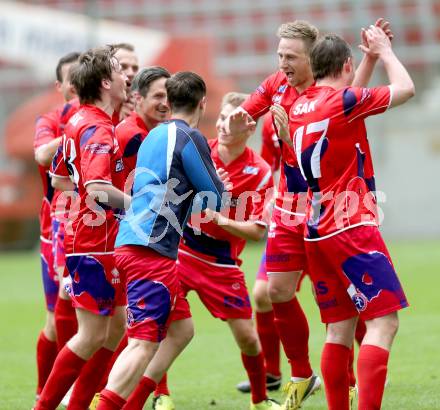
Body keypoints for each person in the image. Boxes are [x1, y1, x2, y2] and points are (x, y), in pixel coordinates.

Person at [237, 19, 393, 409]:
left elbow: (350, 97)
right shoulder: (276, 86)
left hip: (328, 205)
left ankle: (351, 381)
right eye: (280, 56)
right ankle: (302, 375)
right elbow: (242, 117)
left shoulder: (325, 94)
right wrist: (232, 125)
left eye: (291, 57)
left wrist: (374, 58)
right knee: (274, 291)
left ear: (314, 59)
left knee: (349, 300)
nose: (283, 64)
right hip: (291, 207)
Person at [288, 28, 414, 410]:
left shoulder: (301, 104)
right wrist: (386, 52)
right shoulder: (342, 103)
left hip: (315, 229)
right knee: (383, 323)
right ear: (345, 65)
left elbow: (347, 101)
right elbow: (406, 88)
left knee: (339, 329)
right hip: (350, 226)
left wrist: (369, 58)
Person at [96, 71, 228, 410]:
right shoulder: (189, 136)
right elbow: (215, 196)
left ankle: (132, 402)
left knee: (181, 330)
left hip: (136, 243)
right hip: (150, 251)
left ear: (169, 102)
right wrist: (218, 179)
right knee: (142, 344)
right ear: (202, 102)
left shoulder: (154, 134)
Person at [35, 45, 130, 410]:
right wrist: (140, 206)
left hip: (99, 239)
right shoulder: (97, 128)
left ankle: (83, 403)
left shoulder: (79, 119)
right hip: (94, 244)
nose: (126, 76)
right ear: (106, 81)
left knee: (117, 327)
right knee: (90, 335)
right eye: (120, 69)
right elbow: (98, 189)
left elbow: (60, 179)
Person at [33, 51, 80, 402]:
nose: (80, 84)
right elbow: (40, 155)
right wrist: (74, 134)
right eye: (73, 79)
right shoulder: (52, 120)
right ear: (61, 86)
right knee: (57, 316)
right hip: (57, 231)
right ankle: (44, 392)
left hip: (98, 225)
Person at [112, 43, 140, 123]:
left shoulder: (141, 109)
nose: (131, 73)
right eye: (123, 67)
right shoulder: (81, 105)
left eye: (135, 68)